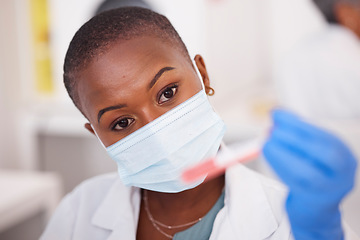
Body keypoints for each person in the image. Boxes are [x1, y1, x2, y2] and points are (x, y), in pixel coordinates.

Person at [40, 7, 358, 240]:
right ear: (96, 134)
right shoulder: (78, 213)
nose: (156, 130)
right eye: (122, 122)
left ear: (202, 75)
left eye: (167, 93)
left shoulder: (291, 221)